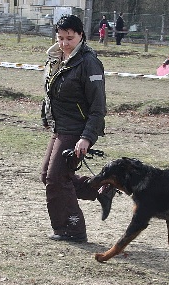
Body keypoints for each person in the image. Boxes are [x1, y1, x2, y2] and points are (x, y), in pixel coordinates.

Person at [41, 14, 116, 243]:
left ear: (81, 35)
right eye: (61, 37)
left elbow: (98, 107)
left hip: (76, 130)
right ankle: (100, 189)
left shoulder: (89, 62)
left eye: (69, 38)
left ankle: (72, 229)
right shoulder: (55, 58)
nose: (64, 43)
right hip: (60, 126)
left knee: (56, 179)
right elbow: (51, 91)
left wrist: (86, 137)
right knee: (48, 176)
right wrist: (46, 114)